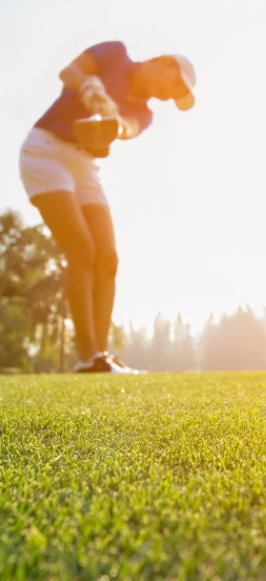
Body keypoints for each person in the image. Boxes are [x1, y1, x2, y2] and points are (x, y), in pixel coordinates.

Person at [19, 41, 196, 373]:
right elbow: (67, 71)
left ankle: (100, 353)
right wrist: (90, 84)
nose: (169, 97)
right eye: (175, 86)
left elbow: (127, 128)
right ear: (165, 62)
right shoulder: (115, 53)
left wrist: (113, 118)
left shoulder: (146, 112)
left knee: (108, 258)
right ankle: (87, 357)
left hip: (84, 164)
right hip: (45, 151)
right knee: (82, 250)